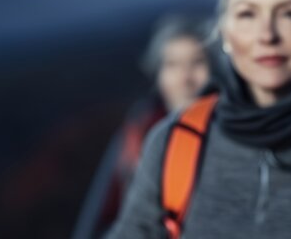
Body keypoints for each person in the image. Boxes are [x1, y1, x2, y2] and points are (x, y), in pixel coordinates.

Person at [107, 0, 291, 239]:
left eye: (289, 13)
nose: (267, 35)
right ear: (224, 33)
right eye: (247, 14)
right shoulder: (176, 141)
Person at [73, 15, 210, 239]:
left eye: (197, 62)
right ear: (157, 74)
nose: (185, 77)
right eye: (172, 65)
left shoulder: (231, 132)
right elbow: (103, 212)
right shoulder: (139, 129)